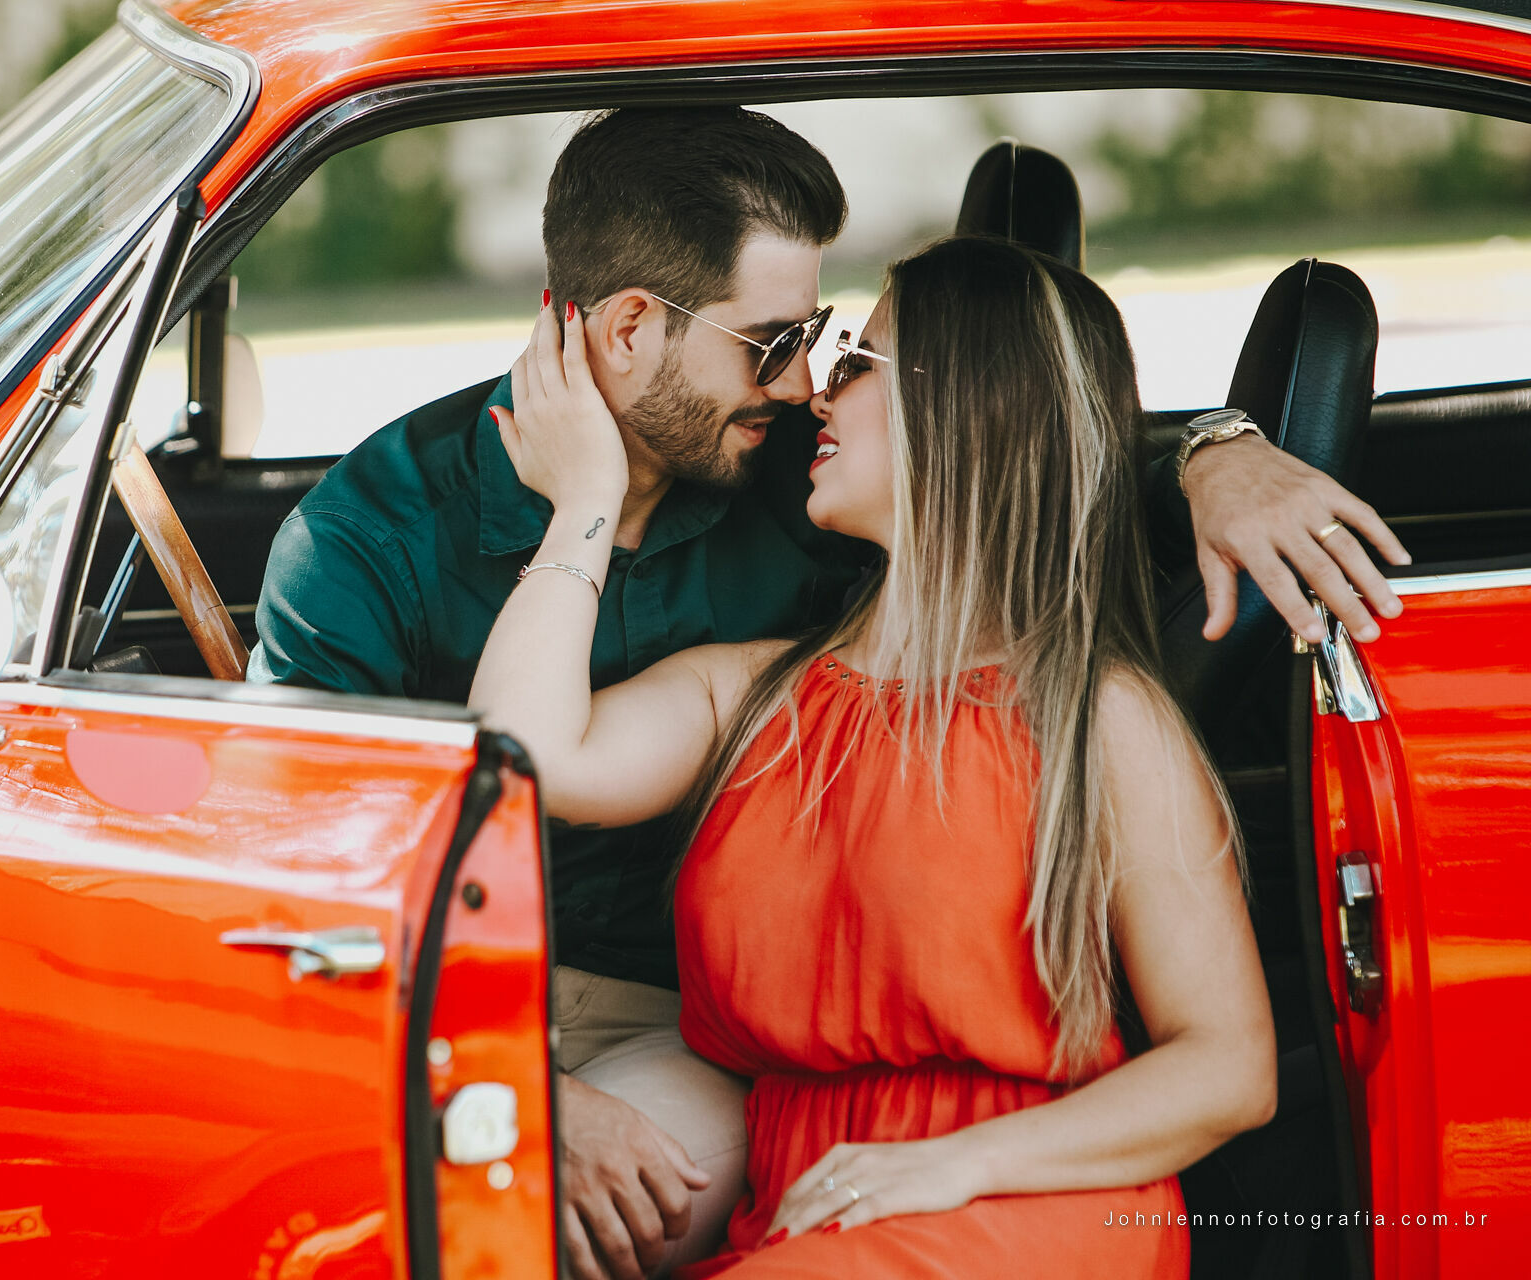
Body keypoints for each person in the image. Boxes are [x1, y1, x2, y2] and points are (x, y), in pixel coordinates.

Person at [249, 108, 1406, 1280]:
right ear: (633, 329)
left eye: (839, 349)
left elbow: (1047, 438)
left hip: (924, 1166)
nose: (808, 384)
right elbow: (417, 818)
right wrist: (584, 500)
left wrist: (1217, 448)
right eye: (780, 341)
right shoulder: (394, 552)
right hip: (518, 1027)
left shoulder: (1044, 678)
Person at [469, 235, 1279, 1277]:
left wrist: (954, 1163)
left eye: (857, 362)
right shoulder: (753, 692)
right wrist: (588, 501)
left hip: (1018, 1199)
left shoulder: (1098, 713)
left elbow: (1230, 1065)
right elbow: (522, 759)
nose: (816, 390)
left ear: (969, 412)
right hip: (807, 1209)